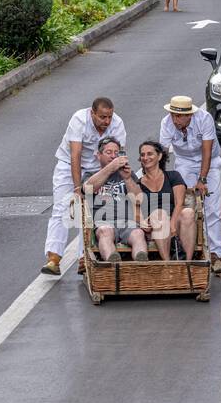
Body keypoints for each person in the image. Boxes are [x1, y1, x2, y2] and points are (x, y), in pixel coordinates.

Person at [42, 97, 126, 276]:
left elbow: (117, 155)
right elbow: (76, 155)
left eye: (109, 117)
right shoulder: (79, 119)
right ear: (92, 113)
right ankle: (54, 257)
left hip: (98, 168)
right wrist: (77, 188)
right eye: (103, 117)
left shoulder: (117, 124)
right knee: (64, 207)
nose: (107, 121)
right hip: (70, 165)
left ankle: (84, 258)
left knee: (91, 212)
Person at [159, 95, 221, 275]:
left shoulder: (204, 119)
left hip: (209, 162)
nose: (175, 120)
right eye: (173, 115)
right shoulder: (166, 123)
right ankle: (190, 248)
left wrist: (202, 179)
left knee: (212, 209)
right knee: (186, 207)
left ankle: (215, 254)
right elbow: (163, 154)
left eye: (179, 116)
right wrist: (161, 179)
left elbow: (206, 150)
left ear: (189, 115)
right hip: (185, 162)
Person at [82, 137, 148, 263]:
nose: (113, 156)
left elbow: (139, 199)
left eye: (116, 153)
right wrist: (111, 167)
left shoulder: (128, 174)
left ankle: (141, 264)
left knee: (138, 234)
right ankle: (113, 264)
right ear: (99, 155)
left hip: (127, 222)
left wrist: (128, 179)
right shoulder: (90, 175)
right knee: (104, 231)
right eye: (108, 152)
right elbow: (89, 189)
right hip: (104, 222)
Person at [135, 139, 197, 261]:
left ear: (159, 156)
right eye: (142, 155)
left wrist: (172, 224)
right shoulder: (139, 184)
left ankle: (186, 265)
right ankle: (168, 264)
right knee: (159, 214)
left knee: (188, 212)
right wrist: (141, 221)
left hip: (174, 219)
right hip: (154, 223)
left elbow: (179, 203)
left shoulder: (173, 176)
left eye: (150, 154)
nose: (145, 157)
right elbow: (135, 208)